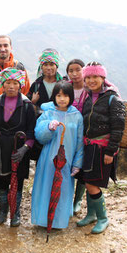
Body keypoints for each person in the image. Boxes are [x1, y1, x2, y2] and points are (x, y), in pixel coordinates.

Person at [0, 68, 36, 227]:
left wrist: (24, 149)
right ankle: (2, 212)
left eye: (15, 83)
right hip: (0, 148)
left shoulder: (27, 105)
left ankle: (15, 214)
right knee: (1, 181)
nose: (11, 86)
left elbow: (31, 132)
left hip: (18, 149)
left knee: (17, 182)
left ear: (20, 85)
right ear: (3, 85)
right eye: (8, 83)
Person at [77, 62, 125, 234]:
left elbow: (118, 127)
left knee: (92, 184)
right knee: (88, 181)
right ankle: (92, 214)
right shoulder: (87, 96)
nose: (91, 80)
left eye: (94, 77)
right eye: (88, 77)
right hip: (89, 147)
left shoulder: (113, 98)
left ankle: (103, 218)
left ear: (103, 78)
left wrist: (110, 151)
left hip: (102, 149)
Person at [31, 81, 84, 229]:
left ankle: (58, 222)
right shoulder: (48, 113)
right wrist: (48, 127)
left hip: (67, 161)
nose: (62, 99)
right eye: (58, 95)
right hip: (48, 158)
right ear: (54, 96)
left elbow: (80, 142)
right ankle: (42, 220)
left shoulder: (77, 116)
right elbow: (39, 135)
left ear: (71, 97)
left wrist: (77, 163)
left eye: (65, 96)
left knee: (64, 189)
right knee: (45, 187)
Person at [26, 48, 64, 161]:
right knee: (40, 158)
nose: (48, 68)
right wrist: (32, 102)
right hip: (40, 127)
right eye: (45, 64)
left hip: (59, 126)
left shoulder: (62, 84)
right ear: (41, 66)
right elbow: (27, 107)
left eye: (52, 64)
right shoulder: (36, 85)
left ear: (56, 66)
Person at [65, 59, 88, 214]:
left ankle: (78, 200)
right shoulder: (66, 88)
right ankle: (66, 198)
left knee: (83, 167)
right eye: (71, 70)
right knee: (68, 166)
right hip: (68, 134)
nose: (74, 74)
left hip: (87, 132)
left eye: (78, 70)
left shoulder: (90, 88)